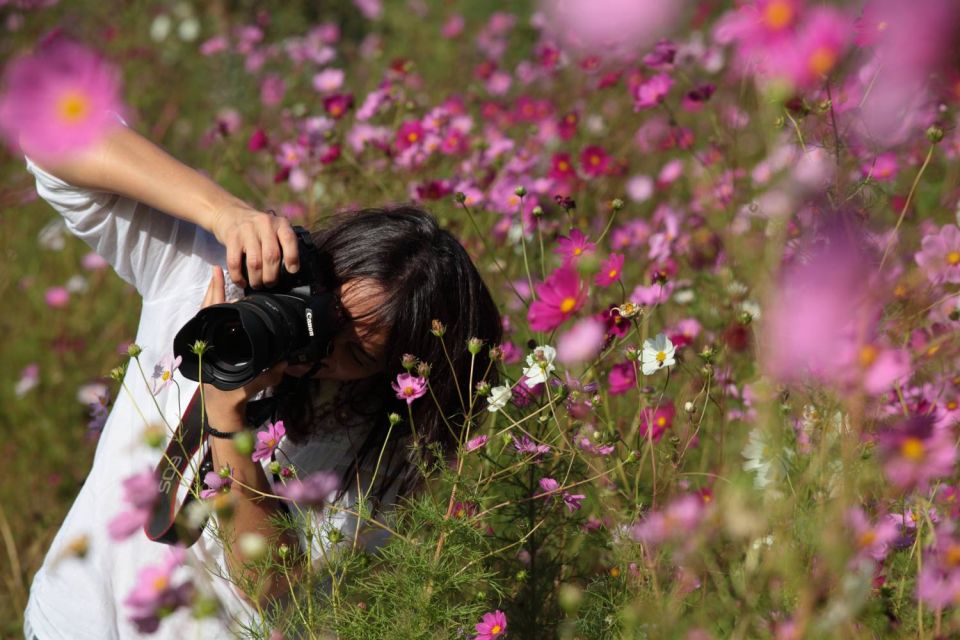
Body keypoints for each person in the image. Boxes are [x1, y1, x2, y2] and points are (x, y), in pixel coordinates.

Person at [21, 124, 502, 639]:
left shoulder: (376, 453)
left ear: (393, 375)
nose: (319, 346)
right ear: (317, 269)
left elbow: (274, 587)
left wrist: (228, 423)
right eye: (327, 314)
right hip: (69, 621)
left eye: (355, 354)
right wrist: (224, 212)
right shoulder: (208, 275)